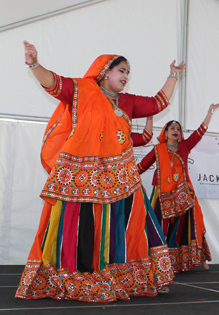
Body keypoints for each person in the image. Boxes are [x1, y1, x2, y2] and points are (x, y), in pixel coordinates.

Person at [16, 41, 185, 302]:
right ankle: (79, 277)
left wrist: (173, 75)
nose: (126, 77)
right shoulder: (83, 90)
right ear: (106, 71)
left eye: (128, 73)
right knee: (82, 227)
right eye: (122, 71)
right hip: (84, 177)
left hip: (121, 178)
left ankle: (138, 276)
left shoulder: (127, 101)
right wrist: (34, 64)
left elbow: (158, 103)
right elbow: (54, 83)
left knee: (135, 224)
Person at [137, 104, 219, 273]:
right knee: (159, 226)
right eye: (172, 128)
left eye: (178, 128)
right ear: (166, 132)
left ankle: (183, 261)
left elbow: (200, 132)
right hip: (161, 193)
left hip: (181, 193)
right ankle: (159, 262)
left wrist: (209, 112)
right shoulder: (158, 149)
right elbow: (141, 166)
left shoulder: (184, 147)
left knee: (185, 226)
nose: (176, 130)